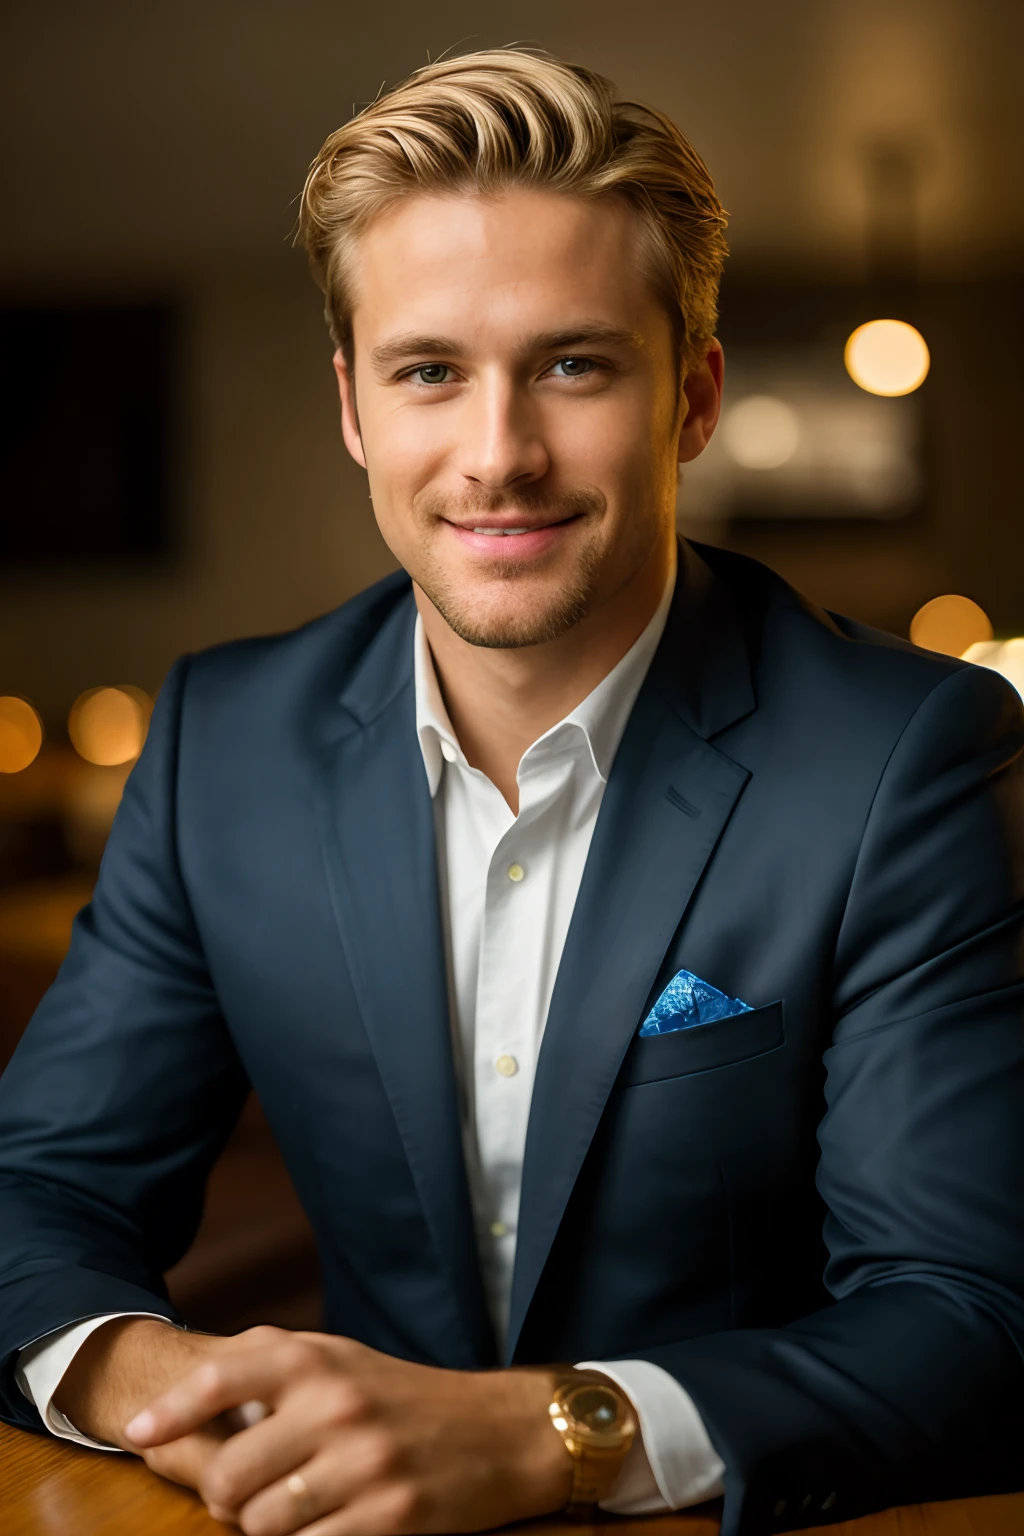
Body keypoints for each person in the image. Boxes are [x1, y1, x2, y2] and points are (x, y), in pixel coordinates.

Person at [1, 44, 1023, 1536]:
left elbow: (973, 1314)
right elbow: (36, 1196)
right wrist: (145, 1378)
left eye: (574, 364)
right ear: (355, 409)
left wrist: (555, 1433)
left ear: (694, 396)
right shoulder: (223, 741)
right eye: (430, 372)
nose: (499, 456)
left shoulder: (909, 753)